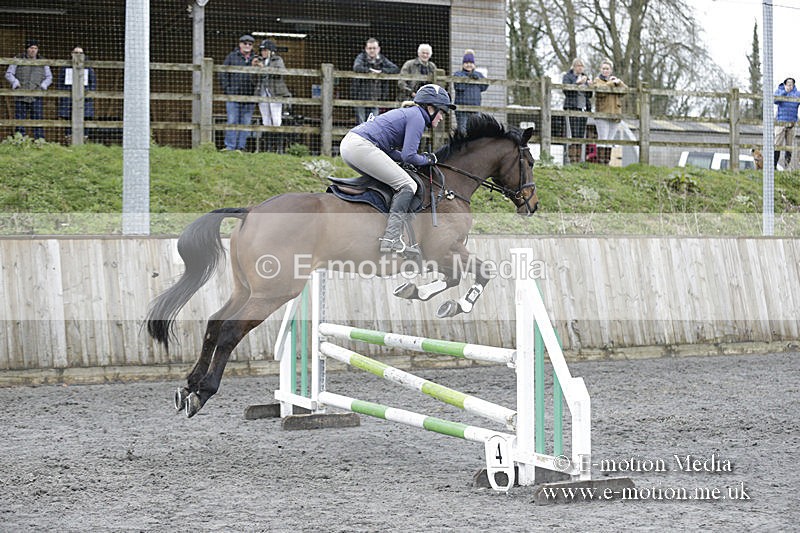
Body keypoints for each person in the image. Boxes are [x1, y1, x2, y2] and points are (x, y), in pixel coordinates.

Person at [339, 84, 455, 254]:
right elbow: (409, 156)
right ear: (431, 108)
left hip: (352, 145)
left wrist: (419, 158)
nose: (442, 118)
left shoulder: (411, 114)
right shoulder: (417, 117)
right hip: (361, 146)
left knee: (393, 180)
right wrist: (428, 159)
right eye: (442, 112)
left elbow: (393, 153)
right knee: (408, 185)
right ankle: (391, 237)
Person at [4, 39, 52, 140]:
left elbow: (49, 77)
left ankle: (39, 140)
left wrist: (44, 85)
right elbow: (9, 74)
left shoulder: (43, 61)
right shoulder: (18, 58)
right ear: (27, 49)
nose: (33, 50)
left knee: (38, 119)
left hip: (37, 95)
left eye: (35, 48)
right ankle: (19, 140)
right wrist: (15, 82)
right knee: (20, 119)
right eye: (31, 48)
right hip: (21, 94)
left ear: (38, 50)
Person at [220, 34, 257, 151]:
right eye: (245, 43)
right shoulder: (232, 57)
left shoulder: (256, 59)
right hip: (233, 95)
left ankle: (240, 147)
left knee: (245, 122)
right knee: (232, 120)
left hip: (250, 95)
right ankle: (230, 146)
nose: (247, 46)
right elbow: (222, 73)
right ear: (240, 44)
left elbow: (261, 76)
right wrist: (227, 89)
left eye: (250, 44)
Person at [253, 39, 291, 152]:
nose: (263, 52)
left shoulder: (277, 60)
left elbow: (280, 73)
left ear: (271, 51)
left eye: (265, 50)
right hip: (262, 92)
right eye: (262, 50)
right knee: (266, 120)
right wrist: (253, 68)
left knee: (276, 120)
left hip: (275, 93)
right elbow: (254, 79)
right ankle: (268, 148)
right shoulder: (259, 60)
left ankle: (279, 148)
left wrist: (263, 68)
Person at [351, 38, 399, 124]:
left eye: (374, 48)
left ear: (378, 49)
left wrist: (382, 71)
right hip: (360, 96)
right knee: (361, 123)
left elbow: (395, 68)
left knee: (373, 123)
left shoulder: (382, 59)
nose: (372, 50)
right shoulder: (361, 57)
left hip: (376, 96)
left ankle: (370, 138)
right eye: (370, 48)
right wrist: (370, 71)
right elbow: (357, 67)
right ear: (366, 49)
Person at [590, 59, 627, 165]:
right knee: (603, 138)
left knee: (610, 139)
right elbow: (600, 91)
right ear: (600, 69)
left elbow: (625, 90)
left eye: (607, 69)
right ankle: (600, 161)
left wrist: (620, 82)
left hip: (615, 114)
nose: (605, 71)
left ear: (611, 70)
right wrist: (611, 83)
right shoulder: (597, 81)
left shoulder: (615, 82)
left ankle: (607, 161)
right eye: (604, 68)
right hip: (602, 114)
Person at [57, 46, 97, 141]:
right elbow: (60, 82)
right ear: (72, 54)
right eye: (76, 53)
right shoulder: (65, 67)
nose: (78, 55)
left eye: (80, 53)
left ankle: (84, 138)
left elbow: (93, 83)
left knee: (85, 118)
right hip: (68, 99)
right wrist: (64, 94)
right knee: (68, 119)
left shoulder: (88, 68)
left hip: (85, 99)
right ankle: (68, 138)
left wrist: (88, 94)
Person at [562, 58, 592, 163]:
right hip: (572, 108)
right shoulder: (567, 77)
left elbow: (590, 95)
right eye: (578, 65)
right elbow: (566, 91)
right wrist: (577, 83)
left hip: (584, 109)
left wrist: (590, 86)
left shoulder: (586, 77)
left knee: (580, 134)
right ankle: (572, 159)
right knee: (573, 133)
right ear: (574, 66)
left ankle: (579, 159)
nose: (580, 68)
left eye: (582, 66)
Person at [453, 49, 487, 134]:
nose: (469, 65)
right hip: (462, 109)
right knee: (463, 131)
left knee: (475, 131)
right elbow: (459, 87)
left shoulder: (478, 75)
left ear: (474, 64)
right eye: (466, 63)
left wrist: (478, 79)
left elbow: (484, 86)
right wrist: (469, 78)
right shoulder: (458, 74)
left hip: (475, 108)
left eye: (471, 63)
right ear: (463, 64)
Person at [773, 77, 800, 169]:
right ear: (785, 85)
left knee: (789, 146)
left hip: (792, 123)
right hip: (781, 122)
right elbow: (775, 100)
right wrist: (785, 92)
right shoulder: (779, 91)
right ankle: (774, 166)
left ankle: (786, 166)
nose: (790, 86)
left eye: (791, 84)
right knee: (777, 144)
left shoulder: (797, 94)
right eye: (788, 84)